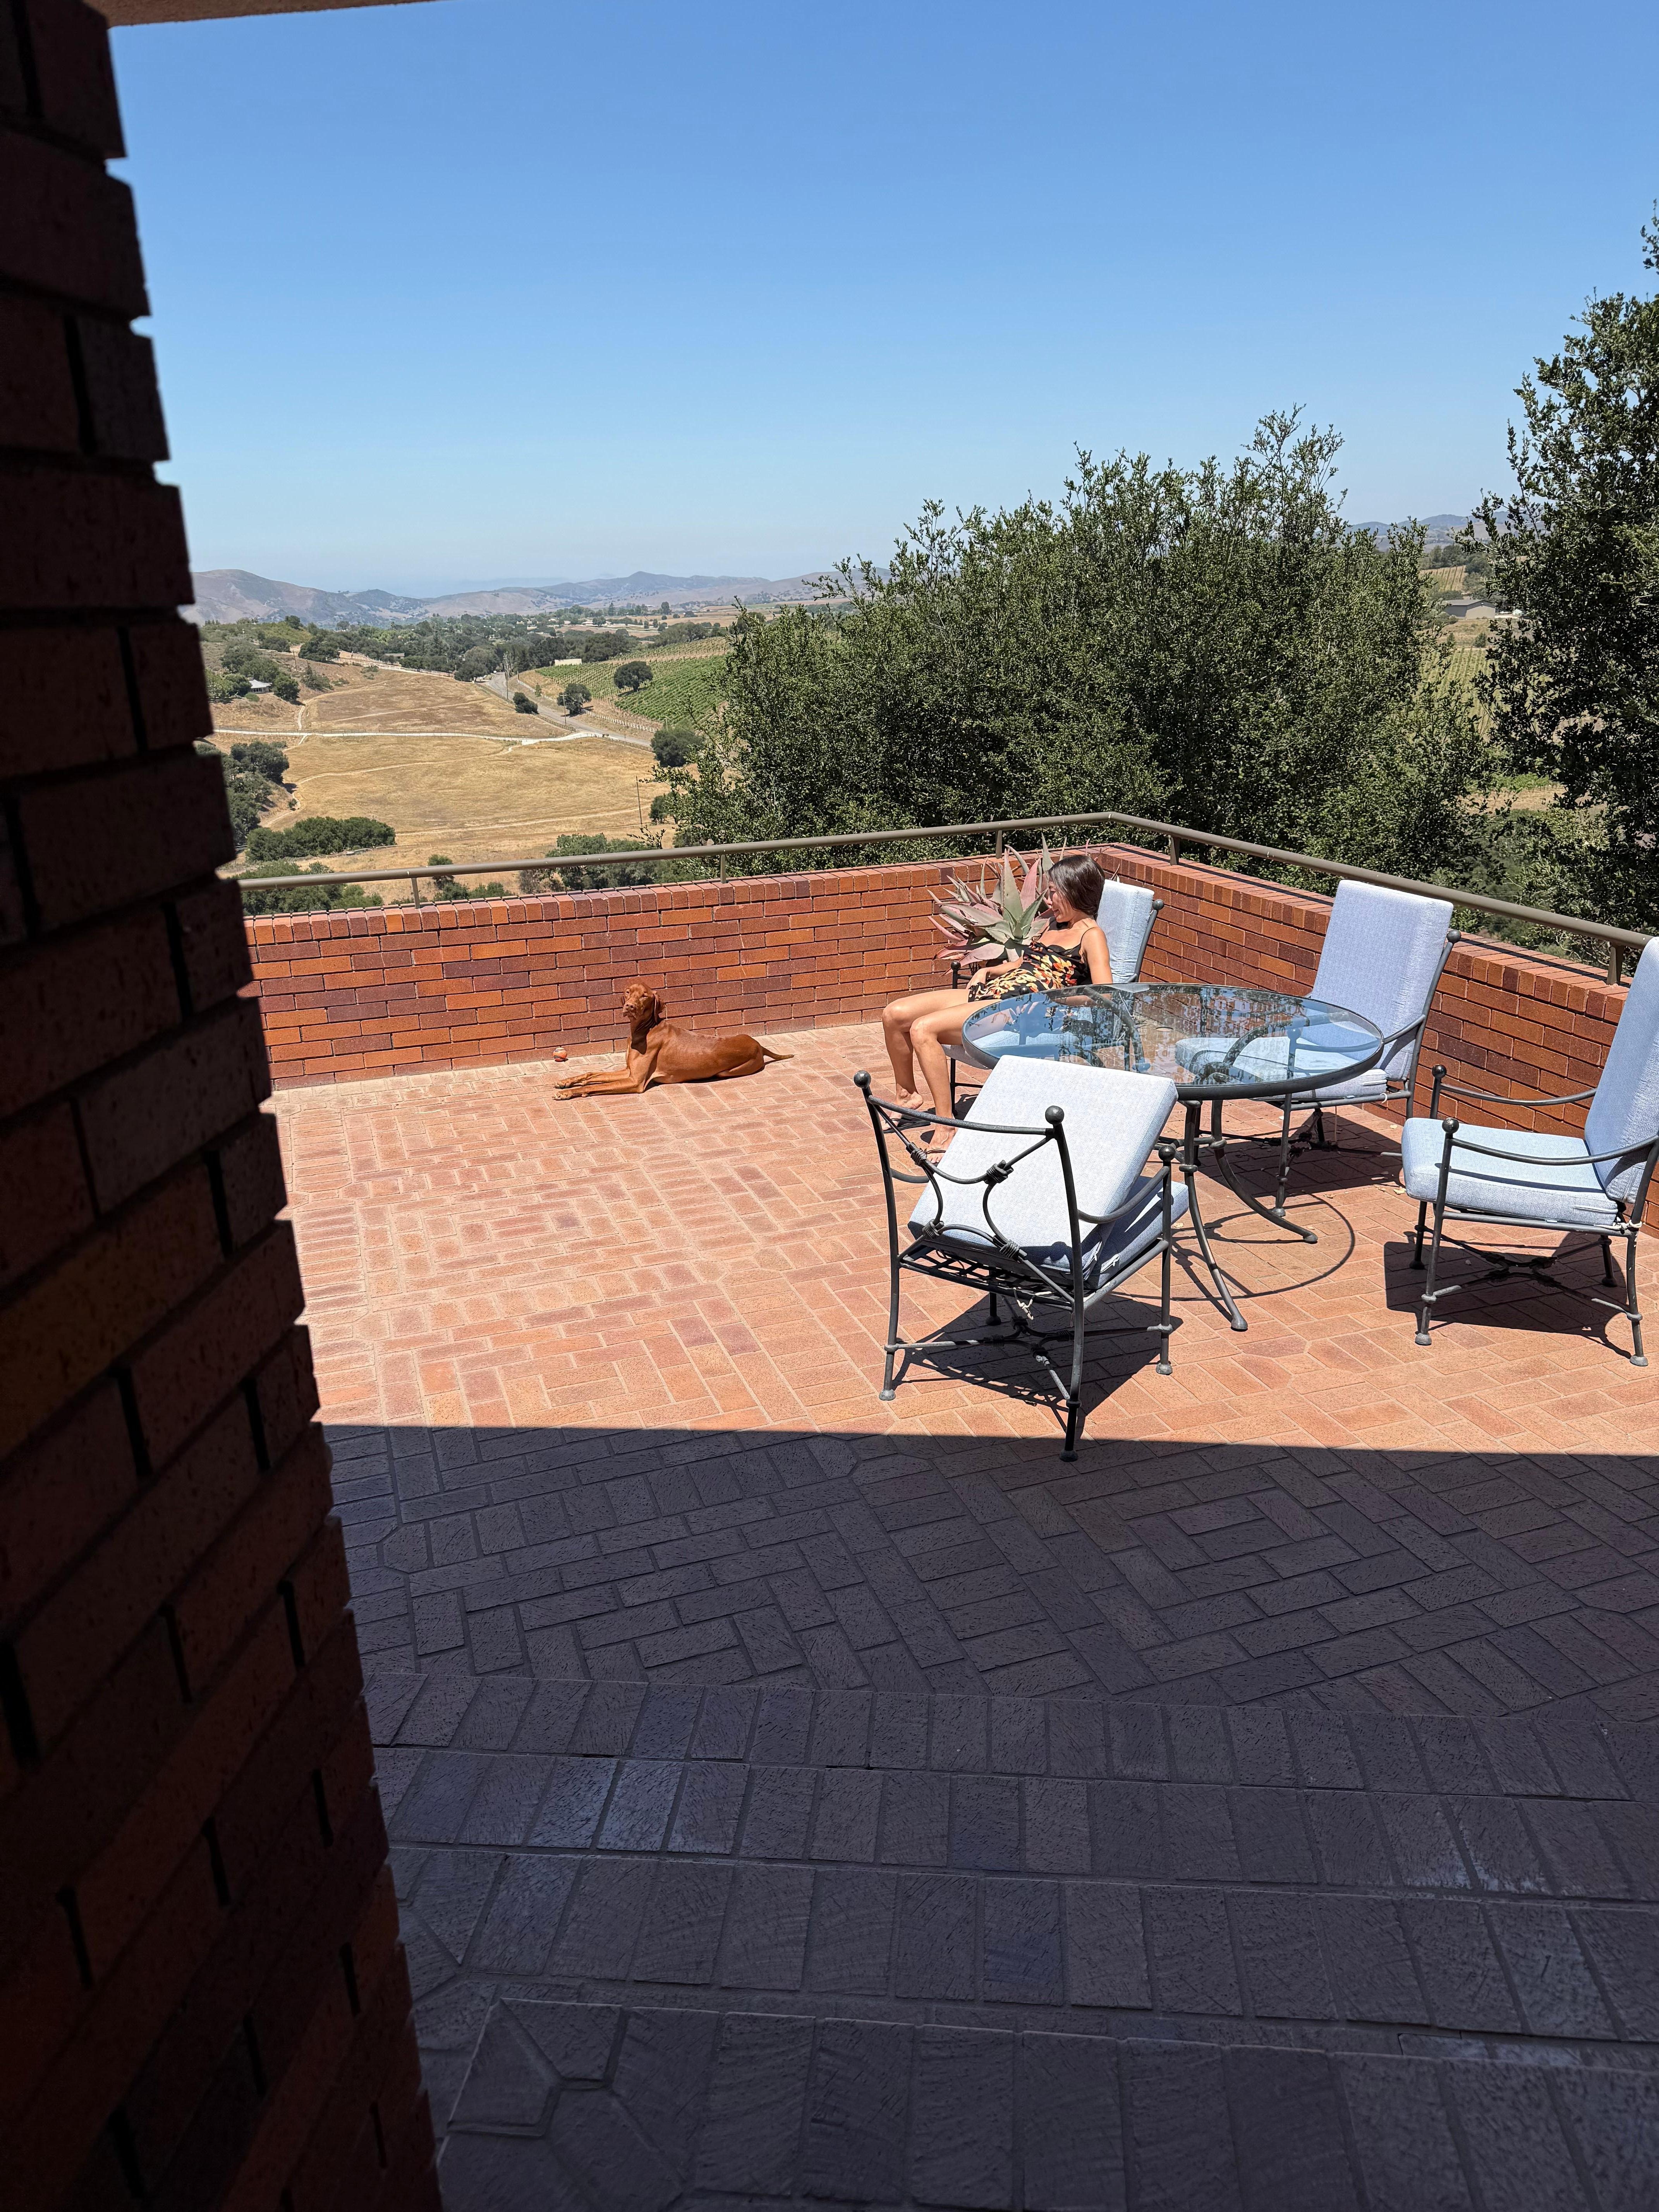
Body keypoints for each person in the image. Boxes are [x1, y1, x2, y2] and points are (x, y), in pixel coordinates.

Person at [881, 852, 1114, 1121]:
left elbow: (1105, 995)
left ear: (1075, 891)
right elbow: (1026, 963)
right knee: (894, 1015)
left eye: (1054, 893)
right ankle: (907, 1095)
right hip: (996, 990)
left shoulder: (1092, 936)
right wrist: (988, 970)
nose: (1049, 901)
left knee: (923, 1029)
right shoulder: (1054, 923)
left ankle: (946, 1125)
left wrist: (1052, 998)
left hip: (1017, 1008)